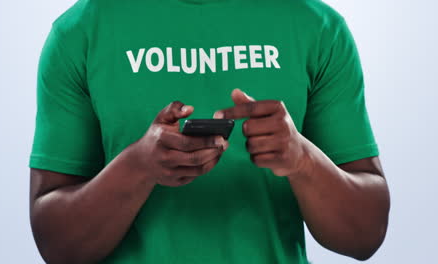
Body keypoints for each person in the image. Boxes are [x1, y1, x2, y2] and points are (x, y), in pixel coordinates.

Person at [28, 0, 391, 263]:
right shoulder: (80, 32)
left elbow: (365, 235)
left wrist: (303, 160)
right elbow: (56, 245)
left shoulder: (317, 27)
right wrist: (137, 167)